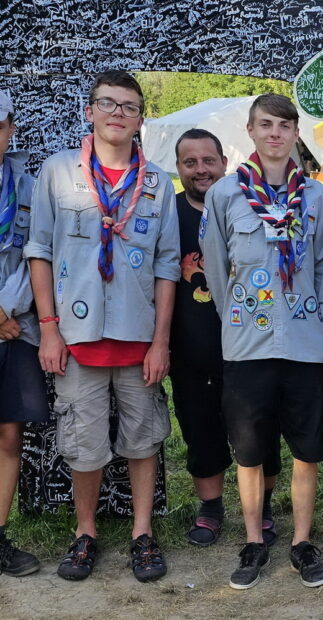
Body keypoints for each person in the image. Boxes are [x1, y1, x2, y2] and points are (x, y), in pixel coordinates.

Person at [25, 70, 180, 582]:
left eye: (129, 106)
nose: (118, 113)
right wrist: (48, 328)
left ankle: (142, 533)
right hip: (75, 338)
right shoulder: (58, 171)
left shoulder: (157, 182)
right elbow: (40, 251)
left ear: (140, 119)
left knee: (144, 438)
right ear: (89, 111)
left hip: (138, 342)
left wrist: (161, 342)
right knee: (83, 441)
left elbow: (167, 266)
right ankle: (84, 532)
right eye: (107, 103)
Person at [200, 94, 323, 590]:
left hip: (304, 344)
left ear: (295, 132)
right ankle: (255, 540)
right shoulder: (225, 195)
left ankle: (302, 542)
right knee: (249, 452)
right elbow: (216, 270)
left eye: (285, 125)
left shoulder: (317, 198)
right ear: (251, 130)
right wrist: (237, 320)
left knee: (306, 449)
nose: (276, 134)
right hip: (247, 345)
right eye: (266, 125)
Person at [169, 128, 281, 547]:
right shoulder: (170, 211)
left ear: (223, 161)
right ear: (178, 167)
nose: (201, 169)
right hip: (192, 345)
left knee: (260, 428)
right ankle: (211, 508)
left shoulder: (247, 204)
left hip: (252, 344)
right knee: (199, 426)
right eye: (190, 162)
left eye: (208, 160)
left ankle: (265, 507)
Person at [0, 89, 44, 577]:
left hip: (21, 328)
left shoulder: (28, 184)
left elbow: (40, 253)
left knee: (10, 435)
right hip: (5, 321)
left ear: (10, 126)